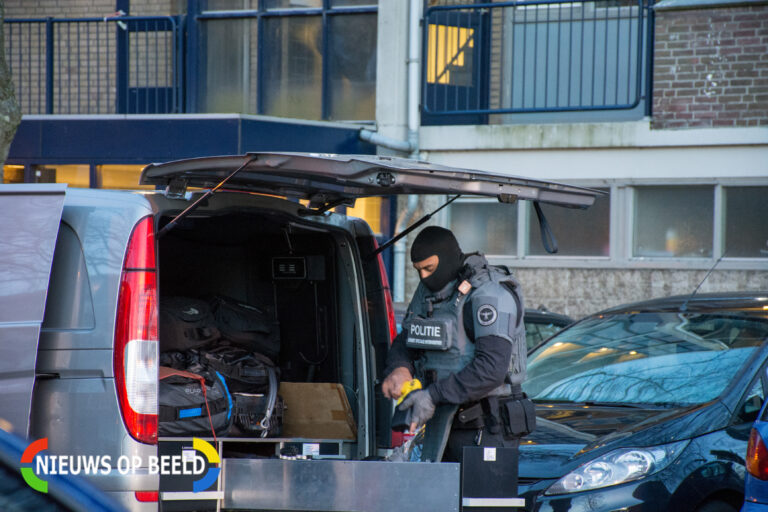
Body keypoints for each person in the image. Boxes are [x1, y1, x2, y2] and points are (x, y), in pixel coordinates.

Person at [382, 226, 528, 462]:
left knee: (476, 500)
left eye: (429, 268)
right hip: (443, 423)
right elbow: (408, 338)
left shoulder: (489, 293)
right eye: (418, 270)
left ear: (448, 258)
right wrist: (399, 367)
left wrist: (432, 395)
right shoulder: (428, 292)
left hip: (487, 427)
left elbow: (491, 369)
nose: (424, 277)